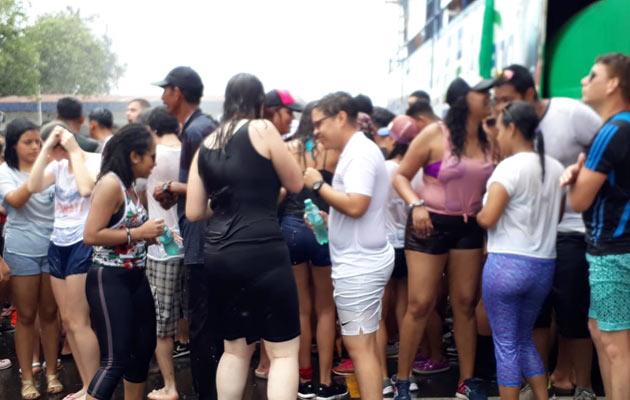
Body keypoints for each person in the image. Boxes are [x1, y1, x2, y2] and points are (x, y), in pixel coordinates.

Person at [186, 72, 303, 400]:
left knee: (235, 351)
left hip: (219, 255)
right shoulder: (262, 129)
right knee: (282, 353)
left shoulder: (207, 143)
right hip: (262, 250)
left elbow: (194, 211)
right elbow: (294, 183)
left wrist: (226, 200)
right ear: (259, 103)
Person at [492, 64, 601, 399]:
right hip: (528, 242)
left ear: (529, 94)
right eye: (497, 101)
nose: (500, 108)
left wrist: (583, 184)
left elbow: (608, 155)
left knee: (573, 311)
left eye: (506, 100)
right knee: (535, 320)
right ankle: (541, 383)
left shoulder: (571, 114)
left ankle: (581, 384)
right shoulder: (509, 131)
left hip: (573, 229)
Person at [392, 77, 494, 400]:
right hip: (428, 224)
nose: (489, 98)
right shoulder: (436, 133)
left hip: (469, 226)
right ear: (464, 101)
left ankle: (467, 380)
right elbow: (401, 176)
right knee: (421, 303)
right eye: (483, 94)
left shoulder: (490, 136)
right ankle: (402, 381)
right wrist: (416, 204)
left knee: (464, 303)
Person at [303, 92, 394, 400]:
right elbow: (355, 209)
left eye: (319, 123)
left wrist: (318, 184)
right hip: (360, 260)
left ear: (340, 117)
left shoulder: (359, 153)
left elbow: (356, 205)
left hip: (360, 265)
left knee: (361, 349)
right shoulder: (356, 151)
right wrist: (329, 221)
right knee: (363, 346)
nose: (315, 131)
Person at [476, 101, 564, 400]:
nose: (497, 136)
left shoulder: (508, 167)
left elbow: (488, 218)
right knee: (524, 338)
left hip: (506, 265)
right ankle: (543, 397)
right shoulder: (554, 167)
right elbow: (560, 215)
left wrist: (477, 213)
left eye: (499, 129)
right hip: (543, 266)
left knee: (506, 344)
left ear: (512, 128)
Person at [561, 52, 630, 400]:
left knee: (614, 345)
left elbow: (578, 201)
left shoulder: (613, 129)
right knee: (599, 331)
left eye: (592, 74)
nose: (585, 81)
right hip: (617, 250)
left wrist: (575, 174)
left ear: (614, 83)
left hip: (614, 251)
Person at [83, 123, 163, 400]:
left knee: (142, 351)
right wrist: (139, 233)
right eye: (152, 156)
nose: (155, 163)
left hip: (135, 277)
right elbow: (91, 234)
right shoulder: (110, 184)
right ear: (134, 156)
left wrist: (150, 235)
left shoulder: (128, 186)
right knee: (115, 361)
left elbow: (125, 231)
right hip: (109, 278)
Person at [153, 66, 218, 400]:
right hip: (202, 237)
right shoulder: (197, 127)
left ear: (177, 92)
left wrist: (170, 186)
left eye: (165, 90)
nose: (162, 96)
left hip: (202, 238)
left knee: (203, 326)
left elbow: (208, 186)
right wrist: (175, 189)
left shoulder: (198, 131)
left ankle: (208, 392)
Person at [27, 121, 101, 400]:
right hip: (58, 243)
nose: (45, 155)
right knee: (68, 322)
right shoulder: (55, 165)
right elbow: (33, 185)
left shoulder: (92, 161)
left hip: (82, 243)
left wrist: (72, 151)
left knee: (80, 321)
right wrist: (48, 147)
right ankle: (85, 386)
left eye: (48, 147)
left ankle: (96, 389)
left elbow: (85, 189)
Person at [280, 102, 346, 399]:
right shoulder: (333, 150)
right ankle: (324, 381)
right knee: (325, 309)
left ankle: (303, 377)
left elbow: (281, 190)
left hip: (292, 228)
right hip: (323, 228)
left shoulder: (290, 148)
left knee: (301, 309)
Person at [0, 118, 61, 399]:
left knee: (50, 314)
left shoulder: (53, 169)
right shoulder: (5, 172)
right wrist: (38, 172)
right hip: (21, 250)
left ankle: (51, 373)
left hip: (52, 249)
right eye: (28, 142)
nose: (35, 147)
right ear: (14, 145)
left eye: (38, 141)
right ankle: (27, 379)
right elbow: (15, 200)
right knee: (25, 316)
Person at [145, 107, 185, 400]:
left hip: (162, 247)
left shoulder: (151, 155)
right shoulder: (191, 151)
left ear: (151, 128)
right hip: (194, 245)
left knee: (162, 324)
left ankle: (170, 386)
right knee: (192, 316)